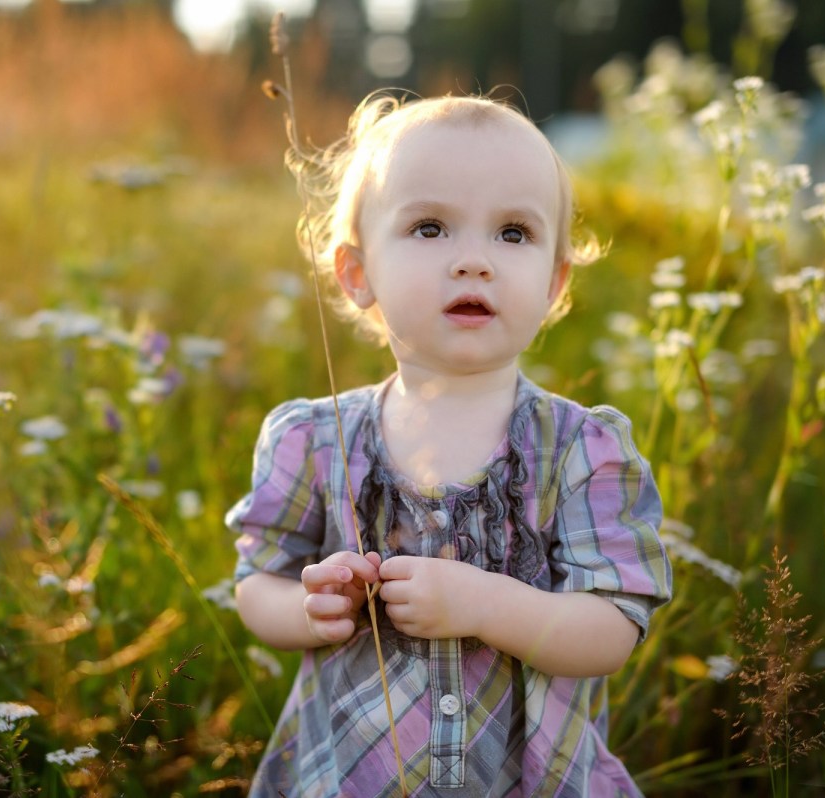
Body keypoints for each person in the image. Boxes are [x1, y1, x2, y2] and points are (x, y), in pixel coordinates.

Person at [225, 92, 673, 797]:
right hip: (349, 774)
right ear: (357, 272)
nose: (474, 261)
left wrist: (486, 606)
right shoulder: (314, 440)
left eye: (514, 234)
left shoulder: (583, 450)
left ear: (555, 284)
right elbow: (256, 584)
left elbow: (611, 631)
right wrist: (311, 611)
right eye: (431, 228)